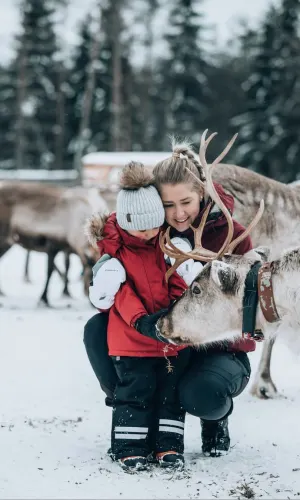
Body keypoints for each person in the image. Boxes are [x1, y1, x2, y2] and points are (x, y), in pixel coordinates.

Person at [84, 140, 254, 460]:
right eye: (167, 205)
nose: (177, 215)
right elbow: (116, 282)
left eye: (186, 202)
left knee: (196, 393)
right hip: (165, 334)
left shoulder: (232, 233)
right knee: (97, 329)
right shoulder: (144, 230)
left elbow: (248, 304)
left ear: (202, 193)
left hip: (220, 345)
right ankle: (134, 415)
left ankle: (214, 419)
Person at [91, 161, 193, 472]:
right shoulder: (116, 254)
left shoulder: (165, 245)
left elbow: (177, 280)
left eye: (154, 225)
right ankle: (128, 446)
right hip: (132, 339)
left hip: (167, 338)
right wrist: (140, 320)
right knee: (135, 392)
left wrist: (175, 311)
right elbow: (120, 294)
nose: (148, 233)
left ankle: (168, 445)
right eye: (141, 227)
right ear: (124, 221)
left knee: (170, 393)